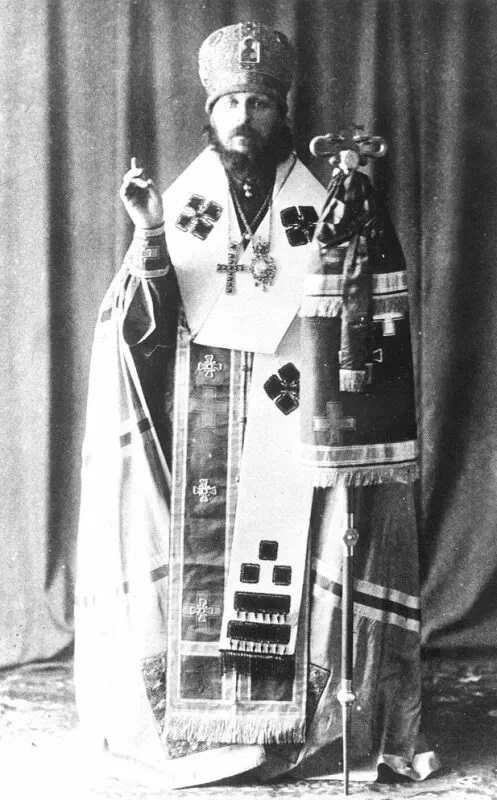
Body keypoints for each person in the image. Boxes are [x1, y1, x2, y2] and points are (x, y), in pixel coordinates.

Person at [75, 21, 438, 789]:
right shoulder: (183, 204)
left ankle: (294, 727)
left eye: (260, 102)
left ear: (282, 112)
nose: (245, 117)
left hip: (293, 415)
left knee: (300, 553)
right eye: (232, 103)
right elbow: (142, 330)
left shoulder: (322, 203)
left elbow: (362, 313)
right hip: (200, 420)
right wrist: (148, 233)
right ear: (210, 113)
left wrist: (357, 237)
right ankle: (200, 728)